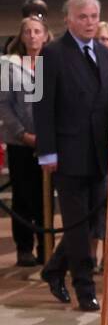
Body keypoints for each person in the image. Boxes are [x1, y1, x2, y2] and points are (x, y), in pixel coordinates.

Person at [33, 0, 108, 311]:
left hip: (99, 155)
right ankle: (85, 289)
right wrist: (47, 152)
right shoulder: (50, 55)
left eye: (94, 16)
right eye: (83, 16)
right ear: (68, 19)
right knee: (78, 226)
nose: (90, 22)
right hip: (67, 155)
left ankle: (54, 269)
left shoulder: (106, 55)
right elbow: (41, 105)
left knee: (90, 225)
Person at [0, 14, 51, 265]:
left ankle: (46, 246)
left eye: (37, 31)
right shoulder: (10, 65)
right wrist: (23, 134)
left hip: (47, 142)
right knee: (22, 196)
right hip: (20, 142)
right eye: (28, 31)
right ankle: (24, 248)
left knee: (44, 196)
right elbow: (5, 105)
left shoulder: (50, 63)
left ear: (45, 35)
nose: (32, 36)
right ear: (21, 36)